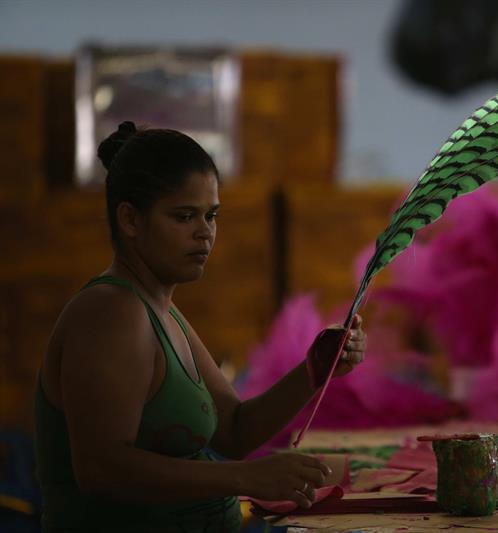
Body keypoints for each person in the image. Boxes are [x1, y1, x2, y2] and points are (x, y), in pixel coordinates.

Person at [34, 121, 367, 532]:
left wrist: (315, 369)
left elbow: (234, 430)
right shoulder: (111, 312)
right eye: (184, 216)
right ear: (130, 219)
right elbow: (102, 469)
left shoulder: (163, 312)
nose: (205, 232)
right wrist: (246, 477)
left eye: (211, 215)